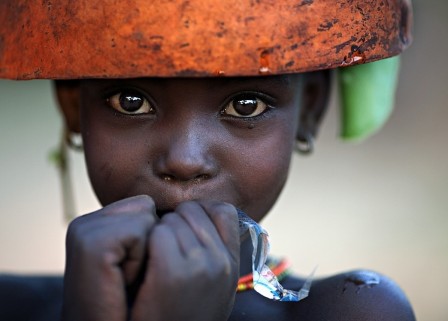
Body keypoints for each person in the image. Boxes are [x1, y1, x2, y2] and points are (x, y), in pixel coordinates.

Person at [0, 1, 416, 320]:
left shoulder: (355, 310)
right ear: (73, 105)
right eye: (132, 102)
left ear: (310, 109)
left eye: (246, 105)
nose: (183, 160)